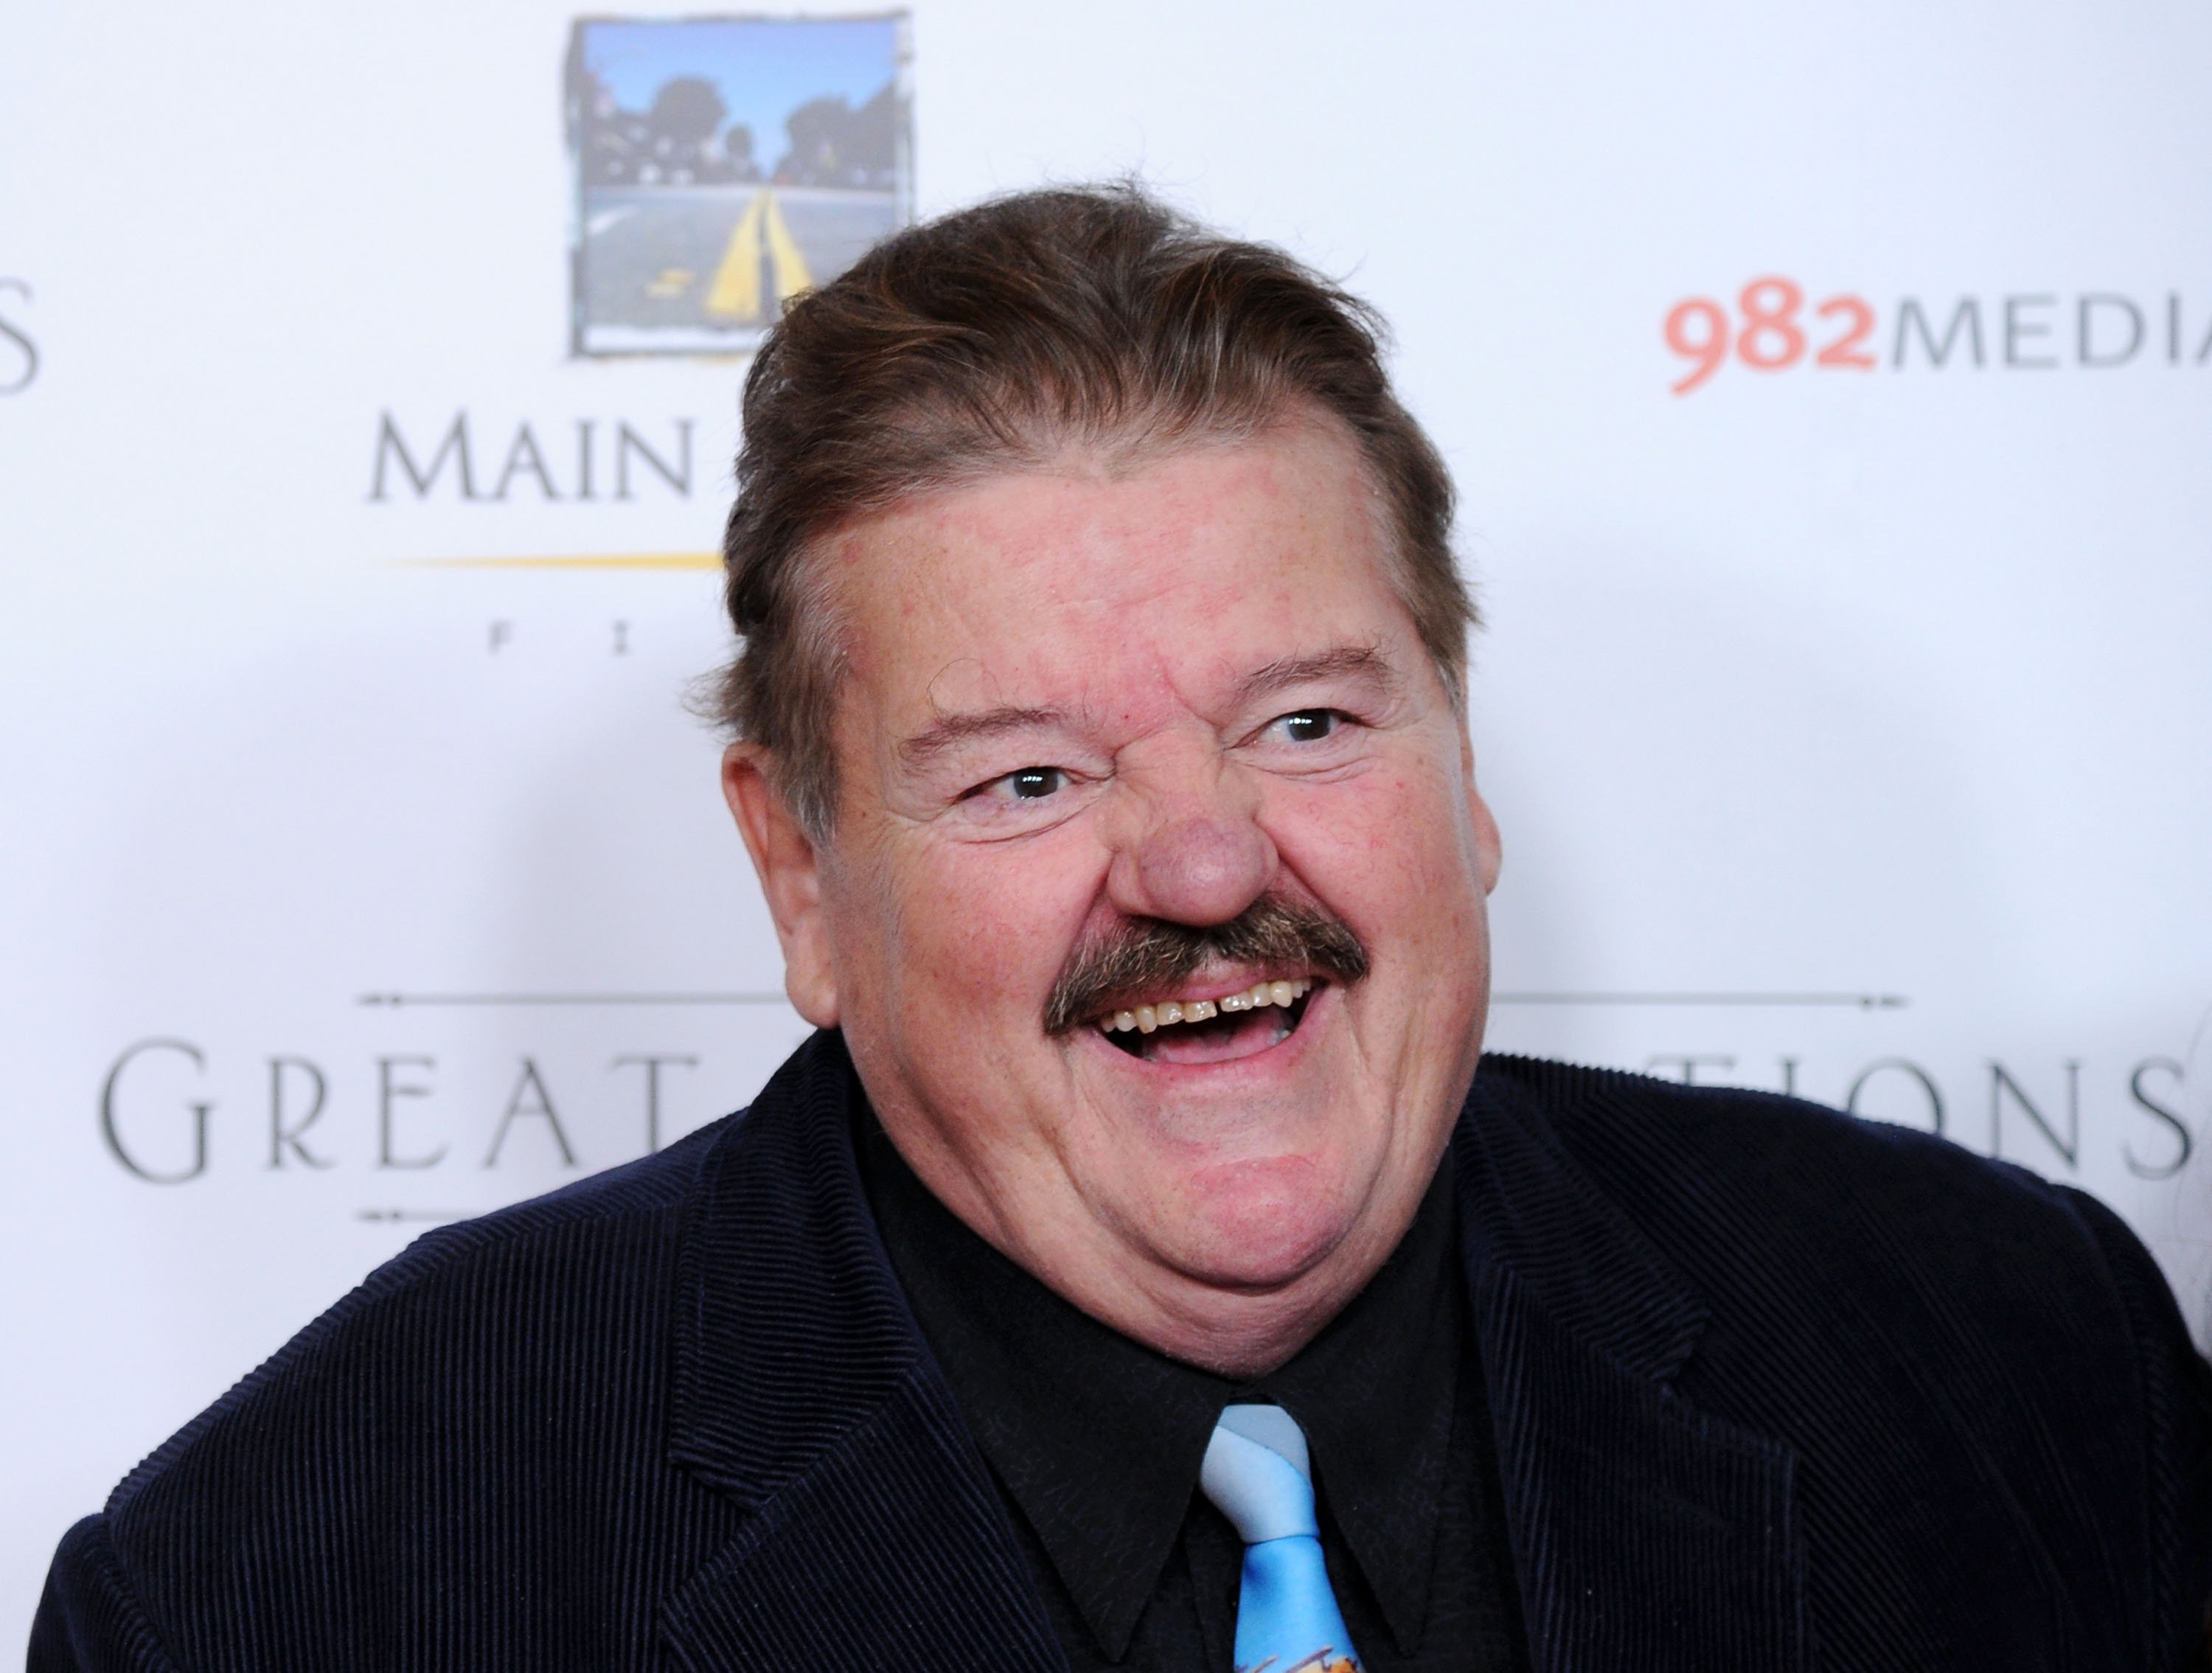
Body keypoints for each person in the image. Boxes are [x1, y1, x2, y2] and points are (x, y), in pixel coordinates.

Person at [30, 185, 2212, 1673]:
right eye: (1030, 778)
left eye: (1307, 718)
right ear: (800, 878)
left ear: (1464, 759)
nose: (1197, 868)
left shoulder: (2018, 1359)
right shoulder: (299, 1581)